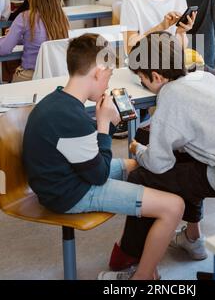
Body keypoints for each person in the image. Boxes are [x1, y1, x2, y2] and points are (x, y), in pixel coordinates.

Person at [23, 33, 184, 281]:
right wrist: (104, 124)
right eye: (108, 76)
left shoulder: (59, 101)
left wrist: (104, 126)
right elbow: (98, 174)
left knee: (136, 165)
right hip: (69, 193)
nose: (108, 84)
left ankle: (138, 251)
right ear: (98, 72)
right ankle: (142, 277)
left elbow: (89, 157)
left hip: (69, 177)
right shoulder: (69, 118)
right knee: (174, 207)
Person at [101, 32, 215, 275]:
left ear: (155, 76)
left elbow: (158, 163)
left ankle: (130, 258)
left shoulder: (170, 94)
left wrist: (138, 150)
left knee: (143, 176)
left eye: (143, 80)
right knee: (187, 161)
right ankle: (192, 237)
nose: (144, 84)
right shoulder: (204, 77)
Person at [0, 0, 69, 82]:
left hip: (30, 76)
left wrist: (10, 36)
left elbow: (4, 49)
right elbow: (43, 41)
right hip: (55, 76)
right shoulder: (61, 18)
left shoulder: (25, 17)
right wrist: (19, 38)